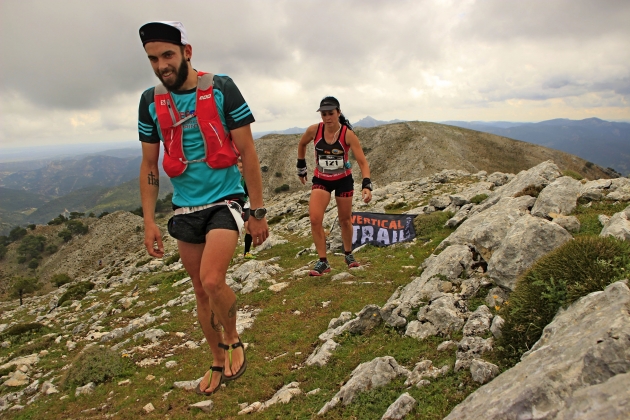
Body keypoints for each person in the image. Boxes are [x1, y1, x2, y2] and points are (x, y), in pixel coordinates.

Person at [137, 21, 269, 396]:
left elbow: (248, 153)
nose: (161, 65)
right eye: (153, 59)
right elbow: (149, 165)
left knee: (213, 280)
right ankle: (215, 357)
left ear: (186, 52)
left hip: (226, 199)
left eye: (167, 55)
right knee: (199, 290)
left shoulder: (222, 88)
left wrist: (256, 212)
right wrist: (149, 220)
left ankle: (232, 335)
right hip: (184, 208)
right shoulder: (150, 102)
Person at [296, 96, 372, 276]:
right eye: (324, 114)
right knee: (315, 219)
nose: (327, 117)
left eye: (331, 113)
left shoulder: (347, 134)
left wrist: (366, 184)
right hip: (321, 180)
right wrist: (301, 167)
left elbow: (362, 162)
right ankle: (323, 261)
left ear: (338, 112)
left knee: (345, 220)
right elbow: (302, 144)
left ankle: (348, 254)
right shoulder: (314, 130)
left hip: (343, 180)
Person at [237, 157, 255, 259]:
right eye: (240, 167)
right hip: (233, 206)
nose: (241, 169)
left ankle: (246, 252)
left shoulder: (246, 179)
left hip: (245, 205)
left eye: (243, 167)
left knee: (248, 226)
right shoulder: (232, 179)